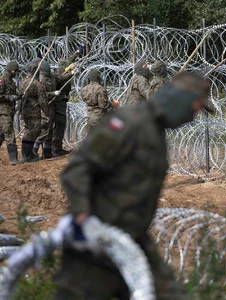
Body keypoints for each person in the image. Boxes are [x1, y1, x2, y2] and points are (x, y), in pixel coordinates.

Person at [54, 72, 213, 300]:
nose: (192, 117)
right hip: (96, 241)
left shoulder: (154, 131)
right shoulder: (128, 123)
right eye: (194, 108)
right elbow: (77, 170)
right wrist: (83, 219)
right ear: (180, 99)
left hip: (132, 239)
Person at [53, 45, 83, 157]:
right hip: (59, 101)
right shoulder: (57, 73)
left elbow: (70, 60)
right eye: (67, 65)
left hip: (63, 100)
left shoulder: (63, 69)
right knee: (60, 124)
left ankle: (56, 147)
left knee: (61, 124)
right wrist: (71, 73)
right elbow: (60, 78)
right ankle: (56, 148)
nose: (69, 65)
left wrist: (77, 52)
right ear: (63, 66)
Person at [19, 60, 49, 162]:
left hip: (24, 111)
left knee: (28, 131)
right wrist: (46, 112)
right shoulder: (36, 84)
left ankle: (27, 154)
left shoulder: (23, 82)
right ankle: (27, 156)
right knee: (33, 132)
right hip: (33, 112)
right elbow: (42, 101)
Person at [33, 60, 61, 159]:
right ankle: (34, 150)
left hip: (51, 106)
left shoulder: (52, 76)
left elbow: (60, 77)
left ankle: (47, 153)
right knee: (45, 129)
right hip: (45, 106)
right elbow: (42, 94)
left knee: (50, 130)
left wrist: (71, 73)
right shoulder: (40, 79)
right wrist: (53, 93)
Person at [0, 61, 20, 165]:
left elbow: (12, 94)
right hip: (3, 112)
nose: (16, 73)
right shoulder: (3, 80)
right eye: (15, 71)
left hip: (8, 111)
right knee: (9, 133)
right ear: (11, 70)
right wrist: (9, 97)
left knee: (1, 135)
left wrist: (18, 96)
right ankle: (13, 159)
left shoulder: (11, 81)